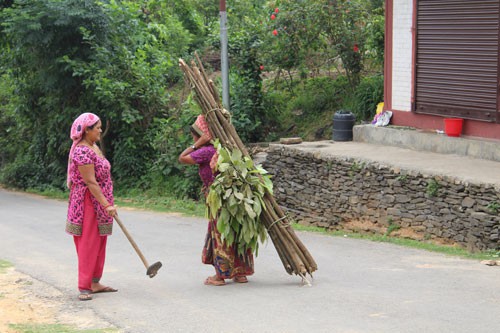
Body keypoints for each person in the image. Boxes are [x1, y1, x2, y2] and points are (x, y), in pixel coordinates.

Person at [179, 115, 254, 286]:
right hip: (236, 197)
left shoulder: (206, 151)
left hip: (218, 199)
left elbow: (182, 158)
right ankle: (240, 273)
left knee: (220, 233)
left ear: (201, 134)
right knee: (236, 232)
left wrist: (196, 145)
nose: (193, 139)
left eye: (194, 136)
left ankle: (220, 275)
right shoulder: (227, 148)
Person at [66, 113, 118, 301]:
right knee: (89, 242)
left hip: (101, 201)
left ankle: (95, 282)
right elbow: (90, 182)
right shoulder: (81, 151)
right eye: (97, 127)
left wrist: (107, 203)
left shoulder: (94, 147)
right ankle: (84, 286)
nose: (100, 130)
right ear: (86, 130)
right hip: (87, 202)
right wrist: (106, 205)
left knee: (100, 241)